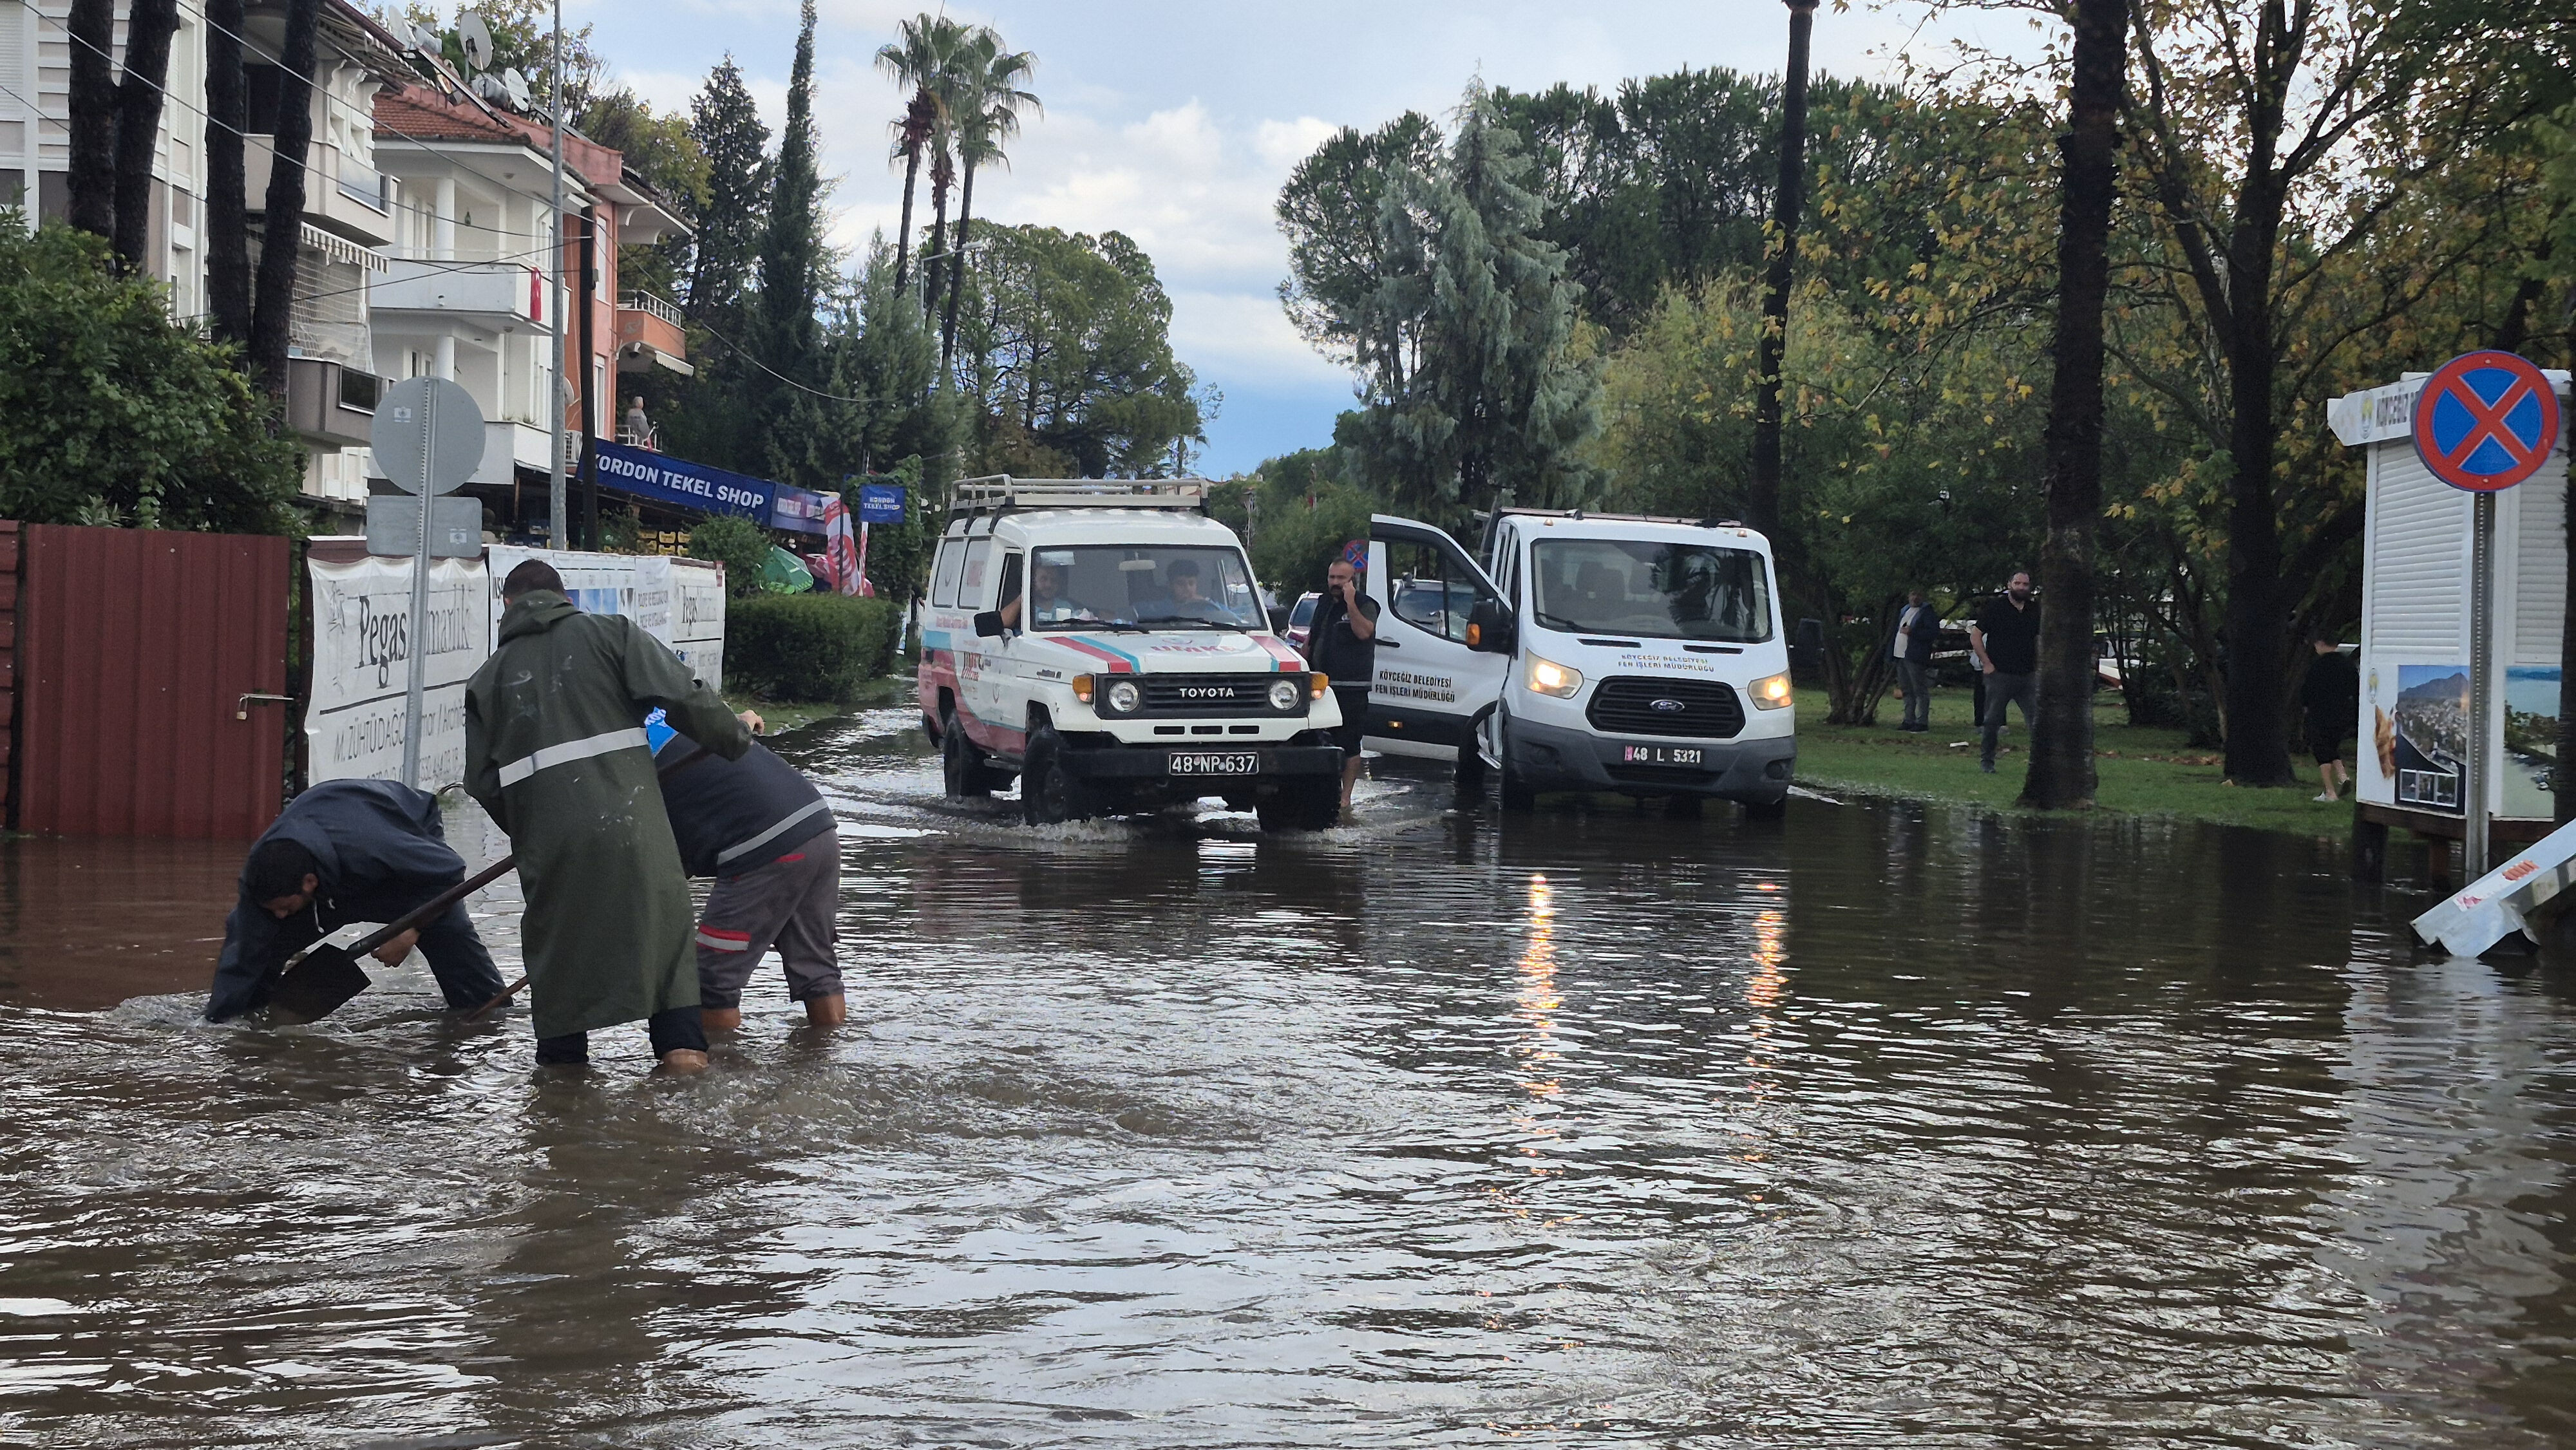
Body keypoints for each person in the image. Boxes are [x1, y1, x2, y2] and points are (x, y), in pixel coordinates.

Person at [464, 559, 752, 1072]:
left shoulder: (486, 682)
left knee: (559, 967)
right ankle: (683, 1085)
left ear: (507, 605)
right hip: (634, 832)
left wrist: (533, 831)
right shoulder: (611, 633)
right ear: (564, 598)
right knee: (665, 954)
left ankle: (564, 1109)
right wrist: (733, 738)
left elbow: (484, 784)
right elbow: (685, 694)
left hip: (550, 849)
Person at [204, 778, 506, 1023]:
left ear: (309, 883)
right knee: (266, 937)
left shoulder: (375, 846)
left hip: (404, 845)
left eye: (285, 907)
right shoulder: (263, 877)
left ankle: (488, 1014)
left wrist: (412, 928)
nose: (281, 914)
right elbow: (241, 953)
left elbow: (449, 872)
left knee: (446, 928)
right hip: (329, 860)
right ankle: (255, 1016)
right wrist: (221, 1024)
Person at [647, 708, 847, 1031]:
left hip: (765, 849)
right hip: (818, 827)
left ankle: (719, 1076)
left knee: (709, 984)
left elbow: (656, 864)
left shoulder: (623, 755)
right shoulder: (678, 715)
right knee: (817, 969)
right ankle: (828, 1058)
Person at [1304, 541, 1380, 814]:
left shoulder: (1366, 605)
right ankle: (1319, 790)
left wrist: (1350, 602)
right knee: (1317, 739)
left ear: (1352, 580)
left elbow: (1364, 633)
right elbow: (1313, 636)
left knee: (1349, 743)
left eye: (1341, 578)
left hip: (1352, 687)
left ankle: (1345, 797)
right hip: (1321, 686)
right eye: (1332, 577)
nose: (1335, 583)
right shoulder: (1324, 603)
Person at [1968, 570, 2040, 774]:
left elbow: (2039, 639)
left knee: (2036, 722)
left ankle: (2039, 764)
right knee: (1992, 721)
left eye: (2025, 584)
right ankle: (1987, 761)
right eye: (2017, 583)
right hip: (2000, 675)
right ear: (2010, 584)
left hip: (2027, 675)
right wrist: (1987, 663)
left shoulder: (2035, 610)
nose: (2021, 587)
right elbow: (1976, 636)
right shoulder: (1996, 607)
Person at [2304, 632, 2360, 802]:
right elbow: (2356, 690)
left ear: (2320, 644)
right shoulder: (2348, 665)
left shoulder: (2317, 666)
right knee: (2331, 745)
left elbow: (2307, 691)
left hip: (2320, 714)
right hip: (2343, 714)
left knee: (2321, 750)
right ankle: (2343, 776)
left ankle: (2330, 792)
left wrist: (2306, 707)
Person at [997, 554, 1090, 629]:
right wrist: (1022, 598)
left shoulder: (1066, 606)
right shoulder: (1024, 606)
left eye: (1054, 580)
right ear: (1032, 581)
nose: (1049, 585)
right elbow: (1002, 623)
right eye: (1043, 579)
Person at [1891, 589, 1938, 733]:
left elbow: (1933, 633)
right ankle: (1908, 719)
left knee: (1919, 689)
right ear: (1908, 596)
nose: (1915, 597)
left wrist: (1913, 632)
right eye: (1912, 594)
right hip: (1901, 654)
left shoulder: (1926, 612)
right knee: (1906, 689)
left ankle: (1922, 721)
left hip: (1915, 655)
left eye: (1918, 594)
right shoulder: (1904, 610)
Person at [1150, 558, 1239, 623]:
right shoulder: (1156, 608)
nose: (1188, 588)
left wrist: (1205, 602)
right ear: (1170, 585)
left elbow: (1234, 619)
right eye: (1181, 584)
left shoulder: (1210, 606)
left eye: (1191, 583)